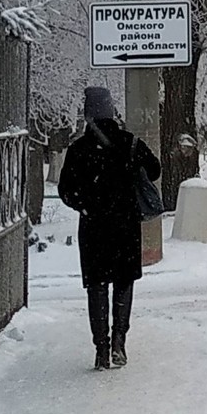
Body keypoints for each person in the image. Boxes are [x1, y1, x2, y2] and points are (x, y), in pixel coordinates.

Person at [57, 84, 161, 370]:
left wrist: (85, 204)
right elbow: (155, 170)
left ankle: (101, 349)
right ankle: (119, 342)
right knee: (124, 283)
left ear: (88, 113)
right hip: (125, 226)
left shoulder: (78, 149)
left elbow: (66, 189)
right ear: (112, 110)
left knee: (97, 286)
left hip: (93, 228)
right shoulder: (129, 143)